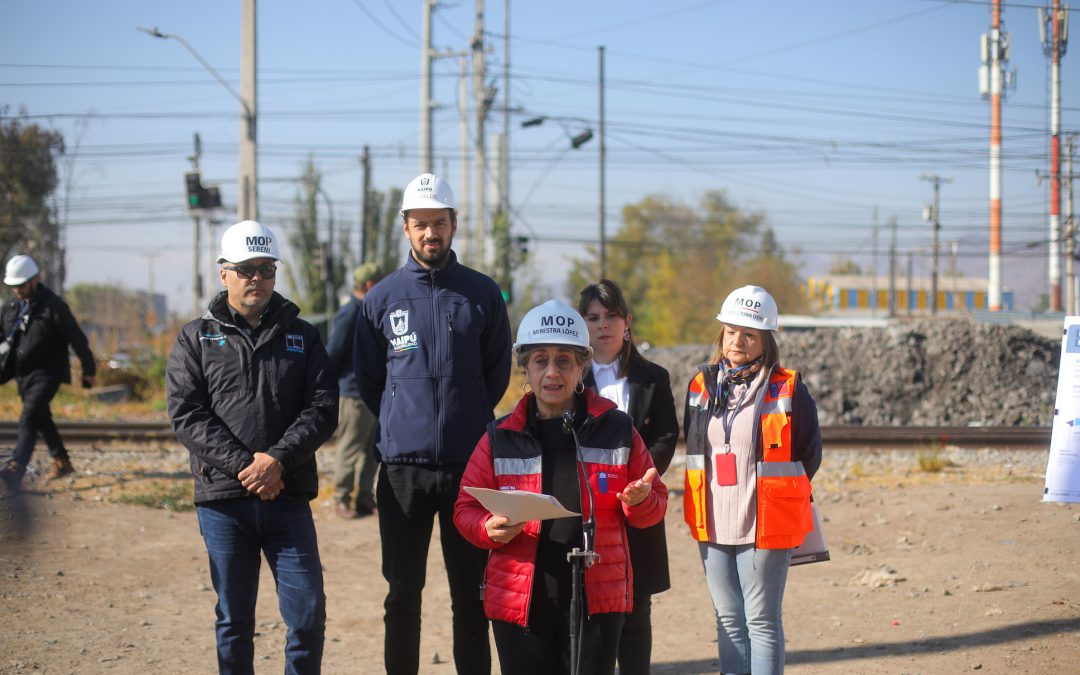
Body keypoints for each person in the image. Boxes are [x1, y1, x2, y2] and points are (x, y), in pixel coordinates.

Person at [453, 299, 668, 675]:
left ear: (582, 367)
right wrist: (486, 528)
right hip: (521, 602)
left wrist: (641, 501)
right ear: (526, 367)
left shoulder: (618, 429)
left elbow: (655, 505)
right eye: (541, 360)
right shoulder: (499, 436)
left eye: (564, 361)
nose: (552, 372)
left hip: (597, 601)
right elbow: (464, 509)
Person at [353, 173, 512, 675]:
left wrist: (465, 417)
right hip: (402, 470)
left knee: (471, 595)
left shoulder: (482, 294)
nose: (430, 233)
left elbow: (496, 375)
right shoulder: (382, 299)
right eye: (420, 224)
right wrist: (404, 420)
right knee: (402, 594)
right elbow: (370, 379)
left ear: (454, 224)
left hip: (470, 470)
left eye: (438, 223)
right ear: (405, 227)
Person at [166, 220, 338, 674]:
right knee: (234, 620)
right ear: (224, 273)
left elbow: (322, 408)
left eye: (266, 269)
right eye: (246, 269)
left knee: (307, 616)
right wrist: (248, 466)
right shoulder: (195, 338)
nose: (256, 278)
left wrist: (278, 460)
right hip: (224, 502)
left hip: (288, 497)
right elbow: (187, 414)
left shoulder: (303, 336)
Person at [683, 285, 821, 675]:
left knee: (760, 619)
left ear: (765, 341)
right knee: (727, 618)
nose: (737, 341)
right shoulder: (700, 387)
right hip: (712, 521)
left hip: (765, 522)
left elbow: (810, 454)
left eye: (749, 334)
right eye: (731, 331)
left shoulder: (788, 388)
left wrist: (774, 494)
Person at [578, 279, 678, 675]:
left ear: (627, 322)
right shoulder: (569, 376)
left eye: (611, 316)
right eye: (593, 317)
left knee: (636, 610)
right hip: (587, 509)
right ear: (582, 324)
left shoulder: (655, 377)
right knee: (588, 610)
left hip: (637, 504)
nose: (603, 325)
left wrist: (640, 483)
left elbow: (666, 436)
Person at [0, 254, 96, 493]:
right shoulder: (11, 308)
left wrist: (88, 369)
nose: (18, 291)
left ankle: (16, 467)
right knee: (41, 417)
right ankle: (62, 461)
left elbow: (77, 338)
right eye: (14, 286)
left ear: (35, 280)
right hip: (23, 374)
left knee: (29, 416)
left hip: (48, 373)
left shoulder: (55, 306)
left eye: (22, 285)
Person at [327, 262, 382, 519]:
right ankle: (341, 498)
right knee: (350, 448)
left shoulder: (369, 311)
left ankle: (364, 499)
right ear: (370, 285)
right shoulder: (350, 314)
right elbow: (333, 353)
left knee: (372, 451)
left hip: (373, 394)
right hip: (353, 394)